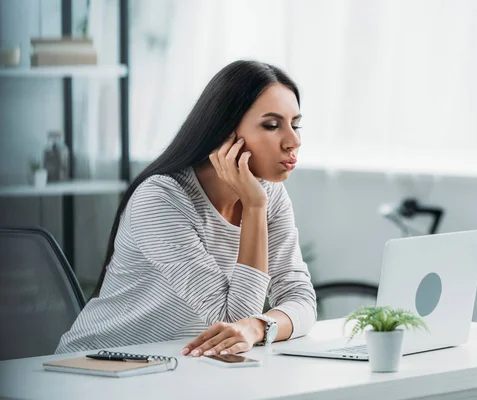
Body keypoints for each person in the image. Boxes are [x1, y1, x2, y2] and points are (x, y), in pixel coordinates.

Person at [56, 60, 317, 357]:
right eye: (272, 125)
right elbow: (230, 318)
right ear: (225, 132)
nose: (293, 141)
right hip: (94, 368)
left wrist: (259, 327)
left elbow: (300, 299)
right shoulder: (160, 199)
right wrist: (255, 208)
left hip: (176, 366)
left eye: (295, 125)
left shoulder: (271, 194)